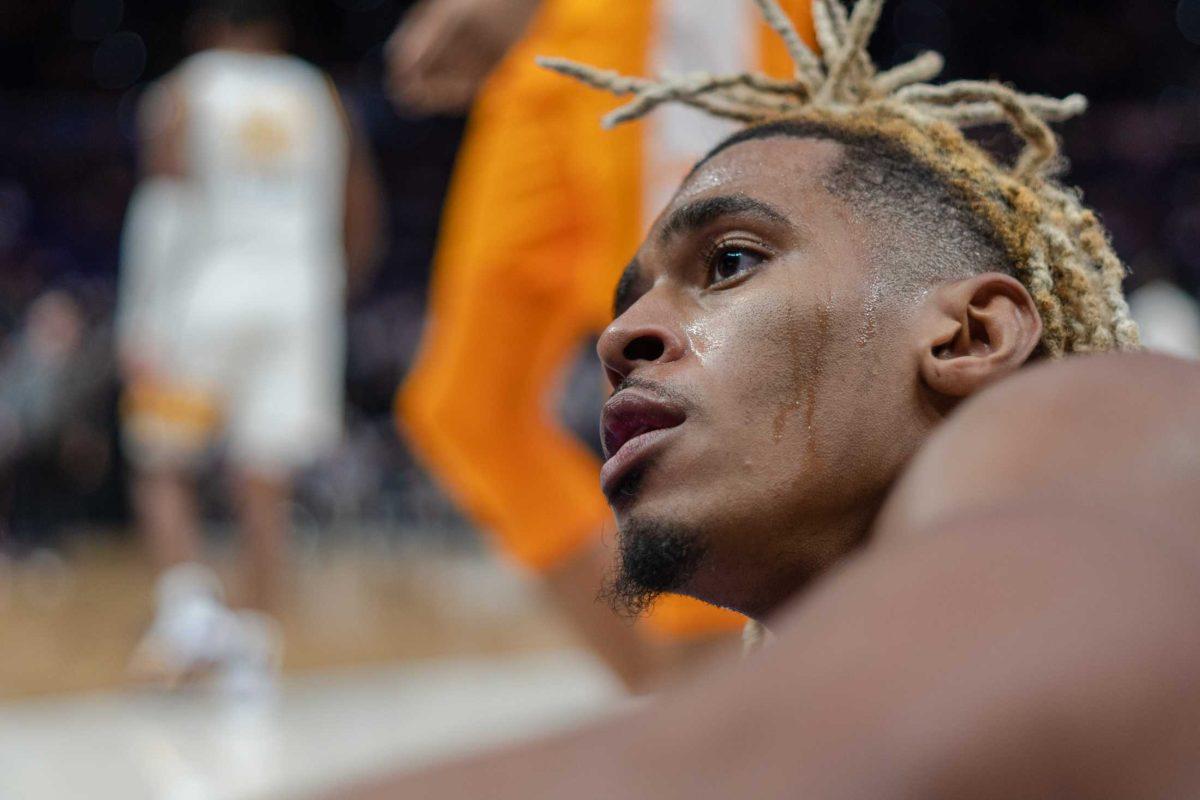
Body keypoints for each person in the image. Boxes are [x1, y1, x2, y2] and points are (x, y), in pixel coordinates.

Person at [342, 0, 1200, 794]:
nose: (618, 339)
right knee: (459, 406)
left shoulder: (1095, 425)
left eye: (733, 264)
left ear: (970, 334)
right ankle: (685, 673)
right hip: (567, 41)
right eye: (624, 301)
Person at [386, 0, 815, 691]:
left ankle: (720, 704)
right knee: (466, 408)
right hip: (552, 38)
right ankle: (678, 696)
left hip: (676, 22)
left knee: (691, 376)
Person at [116, 0, 382, 690]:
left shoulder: (183, 91)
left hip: (201, 295)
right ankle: (256, 647)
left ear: (204, 25)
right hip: (298, 299)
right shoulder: (321, 95)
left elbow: (163, 208)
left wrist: (138, 319)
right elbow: (361, 213)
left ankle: (190, 613)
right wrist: (328, 293)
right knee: (265, 478)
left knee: (161, 457)